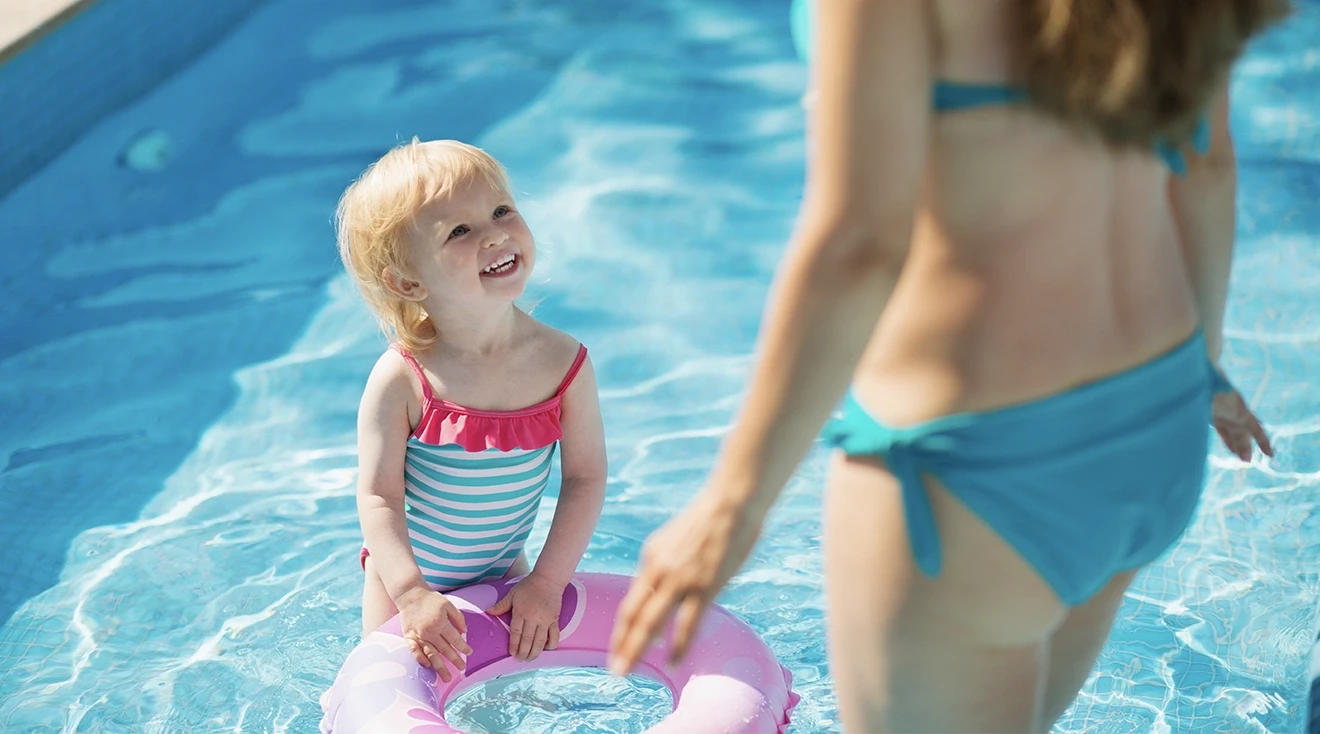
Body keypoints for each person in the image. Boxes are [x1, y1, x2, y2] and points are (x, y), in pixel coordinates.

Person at [607, 0, 1287, 731]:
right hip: (1158, 421)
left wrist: (731, 504)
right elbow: (1206, 159)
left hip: (974, 469)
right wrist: (1204, 372)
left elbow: (860, 243)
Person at [337, 139, 607, 682]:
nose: (495, 233)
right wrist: (412, 594)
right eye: (459, 231)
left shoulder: (564, 363)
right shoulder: (405, 377)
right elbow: (378, 495)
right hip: (406, 586)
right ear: (409, 282)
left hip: (508, 575)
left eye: (501, 210)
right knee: (389, 697)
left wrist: (548, 583)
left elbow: (584, 477)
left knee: (520, 704)